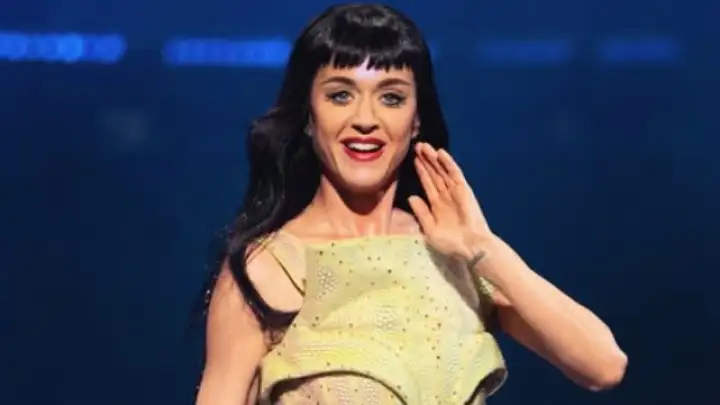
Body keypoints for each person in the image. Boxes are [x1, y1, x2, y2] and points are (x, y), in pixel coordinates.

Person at [196, 4, 627, 405]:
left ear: (417, 118)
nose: (365, 119)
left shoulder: (456, 254)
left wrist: (483, 248)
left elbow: (603, 365)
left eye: (392, 97)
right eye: (341, 95)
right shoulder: (265, 268)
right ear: (309, 116)